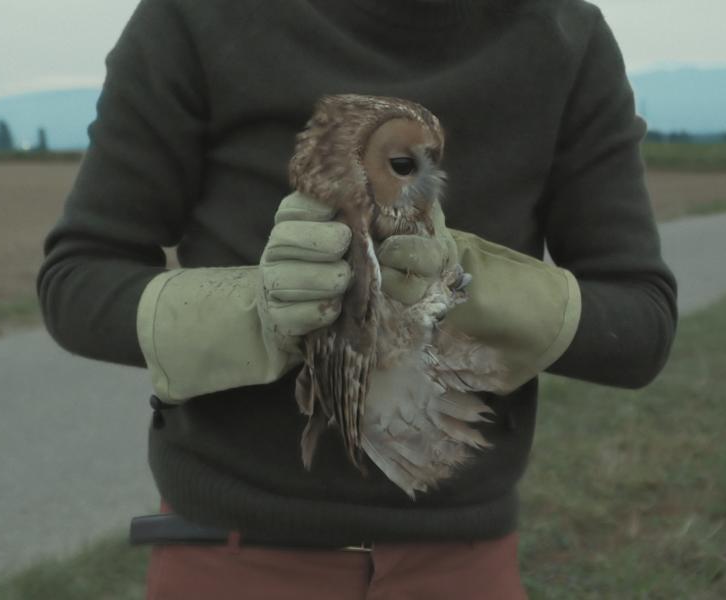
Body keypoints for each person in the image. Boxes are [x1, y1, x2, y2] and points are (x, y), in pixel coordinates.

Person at [37, 0, 678, 597]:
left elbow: (641, 323)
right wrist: (255, 312)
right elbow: (78, 281)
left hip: (460, 559)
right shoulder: (197, 17)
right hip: (233, 555)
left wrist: (466, 291)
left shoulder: (562, 35)